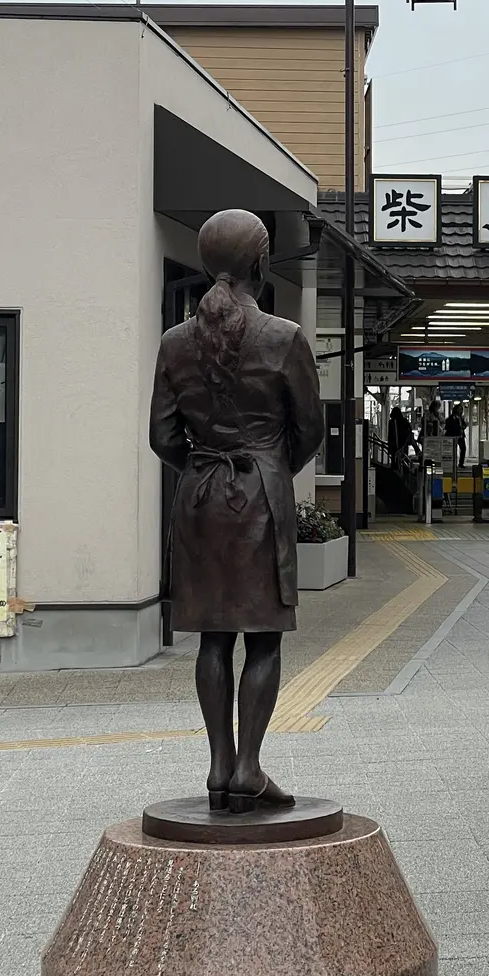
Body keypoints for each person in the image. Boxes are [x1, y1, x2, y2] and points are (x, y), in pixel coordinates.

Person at [149, 209, 325, 814]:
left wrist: (205, 464)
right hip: (261, 496)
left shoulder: (175, 342)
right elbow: (309, 430)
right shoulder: (284, 337)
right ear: (261, 260)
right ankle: (249, 766)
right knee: (264, 636)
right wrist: (269, 466)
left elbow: (162, 437)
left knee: (214, 635)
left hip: (198, 499)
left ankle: (220, 766)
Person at [444, 402, 467, 469]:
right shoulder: (451, 417)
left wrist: (463, 426)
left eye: (461, 409)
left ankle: (461, 463)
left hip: (461, 435)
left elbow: (464, 425)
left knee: (463, 448)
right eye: (459, 409)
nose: (460, 411)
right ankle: (453, 463)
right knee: (453, 450)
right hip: (454, 435)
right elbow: (449, 426)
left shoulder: (461, 418)